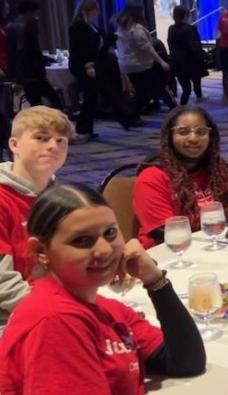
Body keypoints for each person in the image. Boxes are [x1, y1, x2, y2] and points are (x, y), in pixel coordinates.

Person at [0, 183, 228, 395]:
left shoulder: (105, 310)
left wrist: (155, 279)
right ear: (41, 251)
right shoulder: (54, 319)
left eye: (110, 233)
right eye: (82, 241)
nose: (103, 250)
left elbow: (184, 361)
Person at [0, 106, 72, 326]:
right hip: (11, 318)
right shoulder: (3, 198)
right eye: (41, 138)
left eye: (61, 141)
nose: (53, 146)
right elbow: (3, 284)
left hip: (56, 302)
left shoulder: (62, 197)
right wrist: (57, 311)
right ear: (14, 145)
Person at [133, 106, 228, 249]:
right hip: (166, 254)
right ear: (169, 137)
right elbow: (165, 235)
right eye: (183, 132)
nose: (193, 138)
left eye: (201, 132)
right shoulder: (152, 178)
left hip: (216, 247)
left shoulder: (219, 170)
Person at [116, 3, 176, 114]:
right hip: (140, 64)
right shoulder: (137, 29)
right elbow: (148, 48)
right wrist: (162, 62)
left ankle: (134, 114)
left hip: (126, 65)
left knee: (141, 91)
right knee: (158, 85)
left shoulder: (121, 28)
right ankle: (174, 107)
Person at [6, 1, 62, 110]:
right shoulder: (21, 29)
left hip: (30, 76)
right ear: (27, 13)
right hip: (32, 76)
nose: (35, 16)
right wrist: (17, 79)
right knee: (54, 101)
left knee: (38, 105)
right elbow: (20, 55)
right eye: (33, 13)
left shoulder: (16, 27)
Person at [68, 0, 102, 143]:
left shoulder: (88, 25)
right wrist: (88, 65)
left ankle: (87, 128)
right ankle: (83, 128)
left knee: (91, 97)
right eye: (96, 10)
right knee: (90, 97)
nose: (98, 13)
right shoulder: (79, 26)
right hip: (83, 65)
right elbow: (81, 49)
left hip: (89, 64)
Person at [168, 5, 205, 106]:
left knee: (186, 89)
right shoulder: (191, 29)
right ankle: (199, 99)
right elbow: (195, 48)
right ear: (185, 15)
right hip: (192, 63)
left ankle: (182, 106)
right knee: (196, 82)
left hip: (178, 63)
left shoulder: (171, 29)